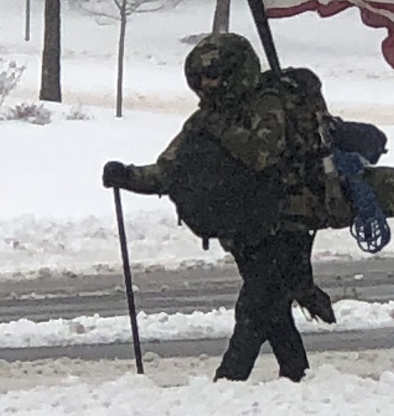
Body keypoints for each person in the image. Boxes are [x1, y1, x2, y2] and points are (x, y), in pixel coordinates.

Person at [102, 32, 334, 382]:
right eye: (201, 79)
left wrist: (219, 127)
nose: (207, 85)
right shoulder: (207, 118)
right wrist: (128, 176)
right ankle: (296, 376)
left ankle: (229, 381)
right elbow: (172, 169)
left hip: (288, 220)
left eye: (214, 76)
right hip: (246, 226)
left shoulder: (267, 104)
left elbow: (261, 154)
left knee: (256, 305)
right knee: (271, 305)